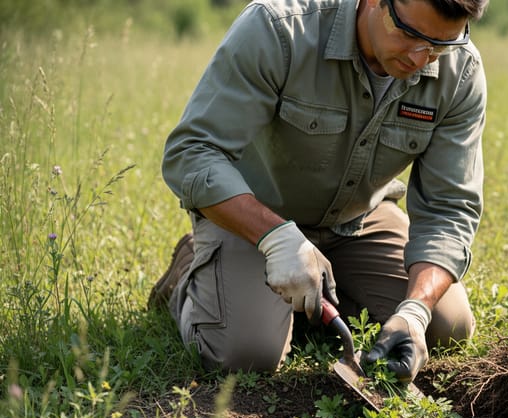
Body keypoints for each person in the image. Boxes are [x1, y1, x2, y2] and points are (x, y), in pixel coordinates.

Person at [149, 0, 489, 383]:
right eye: (409, 34)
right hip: (252, 222)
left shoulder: (460, 73)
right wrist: (276, 238)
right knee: (246, 353)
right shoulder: (279, 28)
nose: (419, 57)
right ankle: (190, 273)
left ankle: (314, 295)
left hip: (357, 219)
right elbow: (192, 153)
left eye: (438, 45)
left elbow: (449, 209)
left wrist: (416, 310)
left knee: (447, 326)